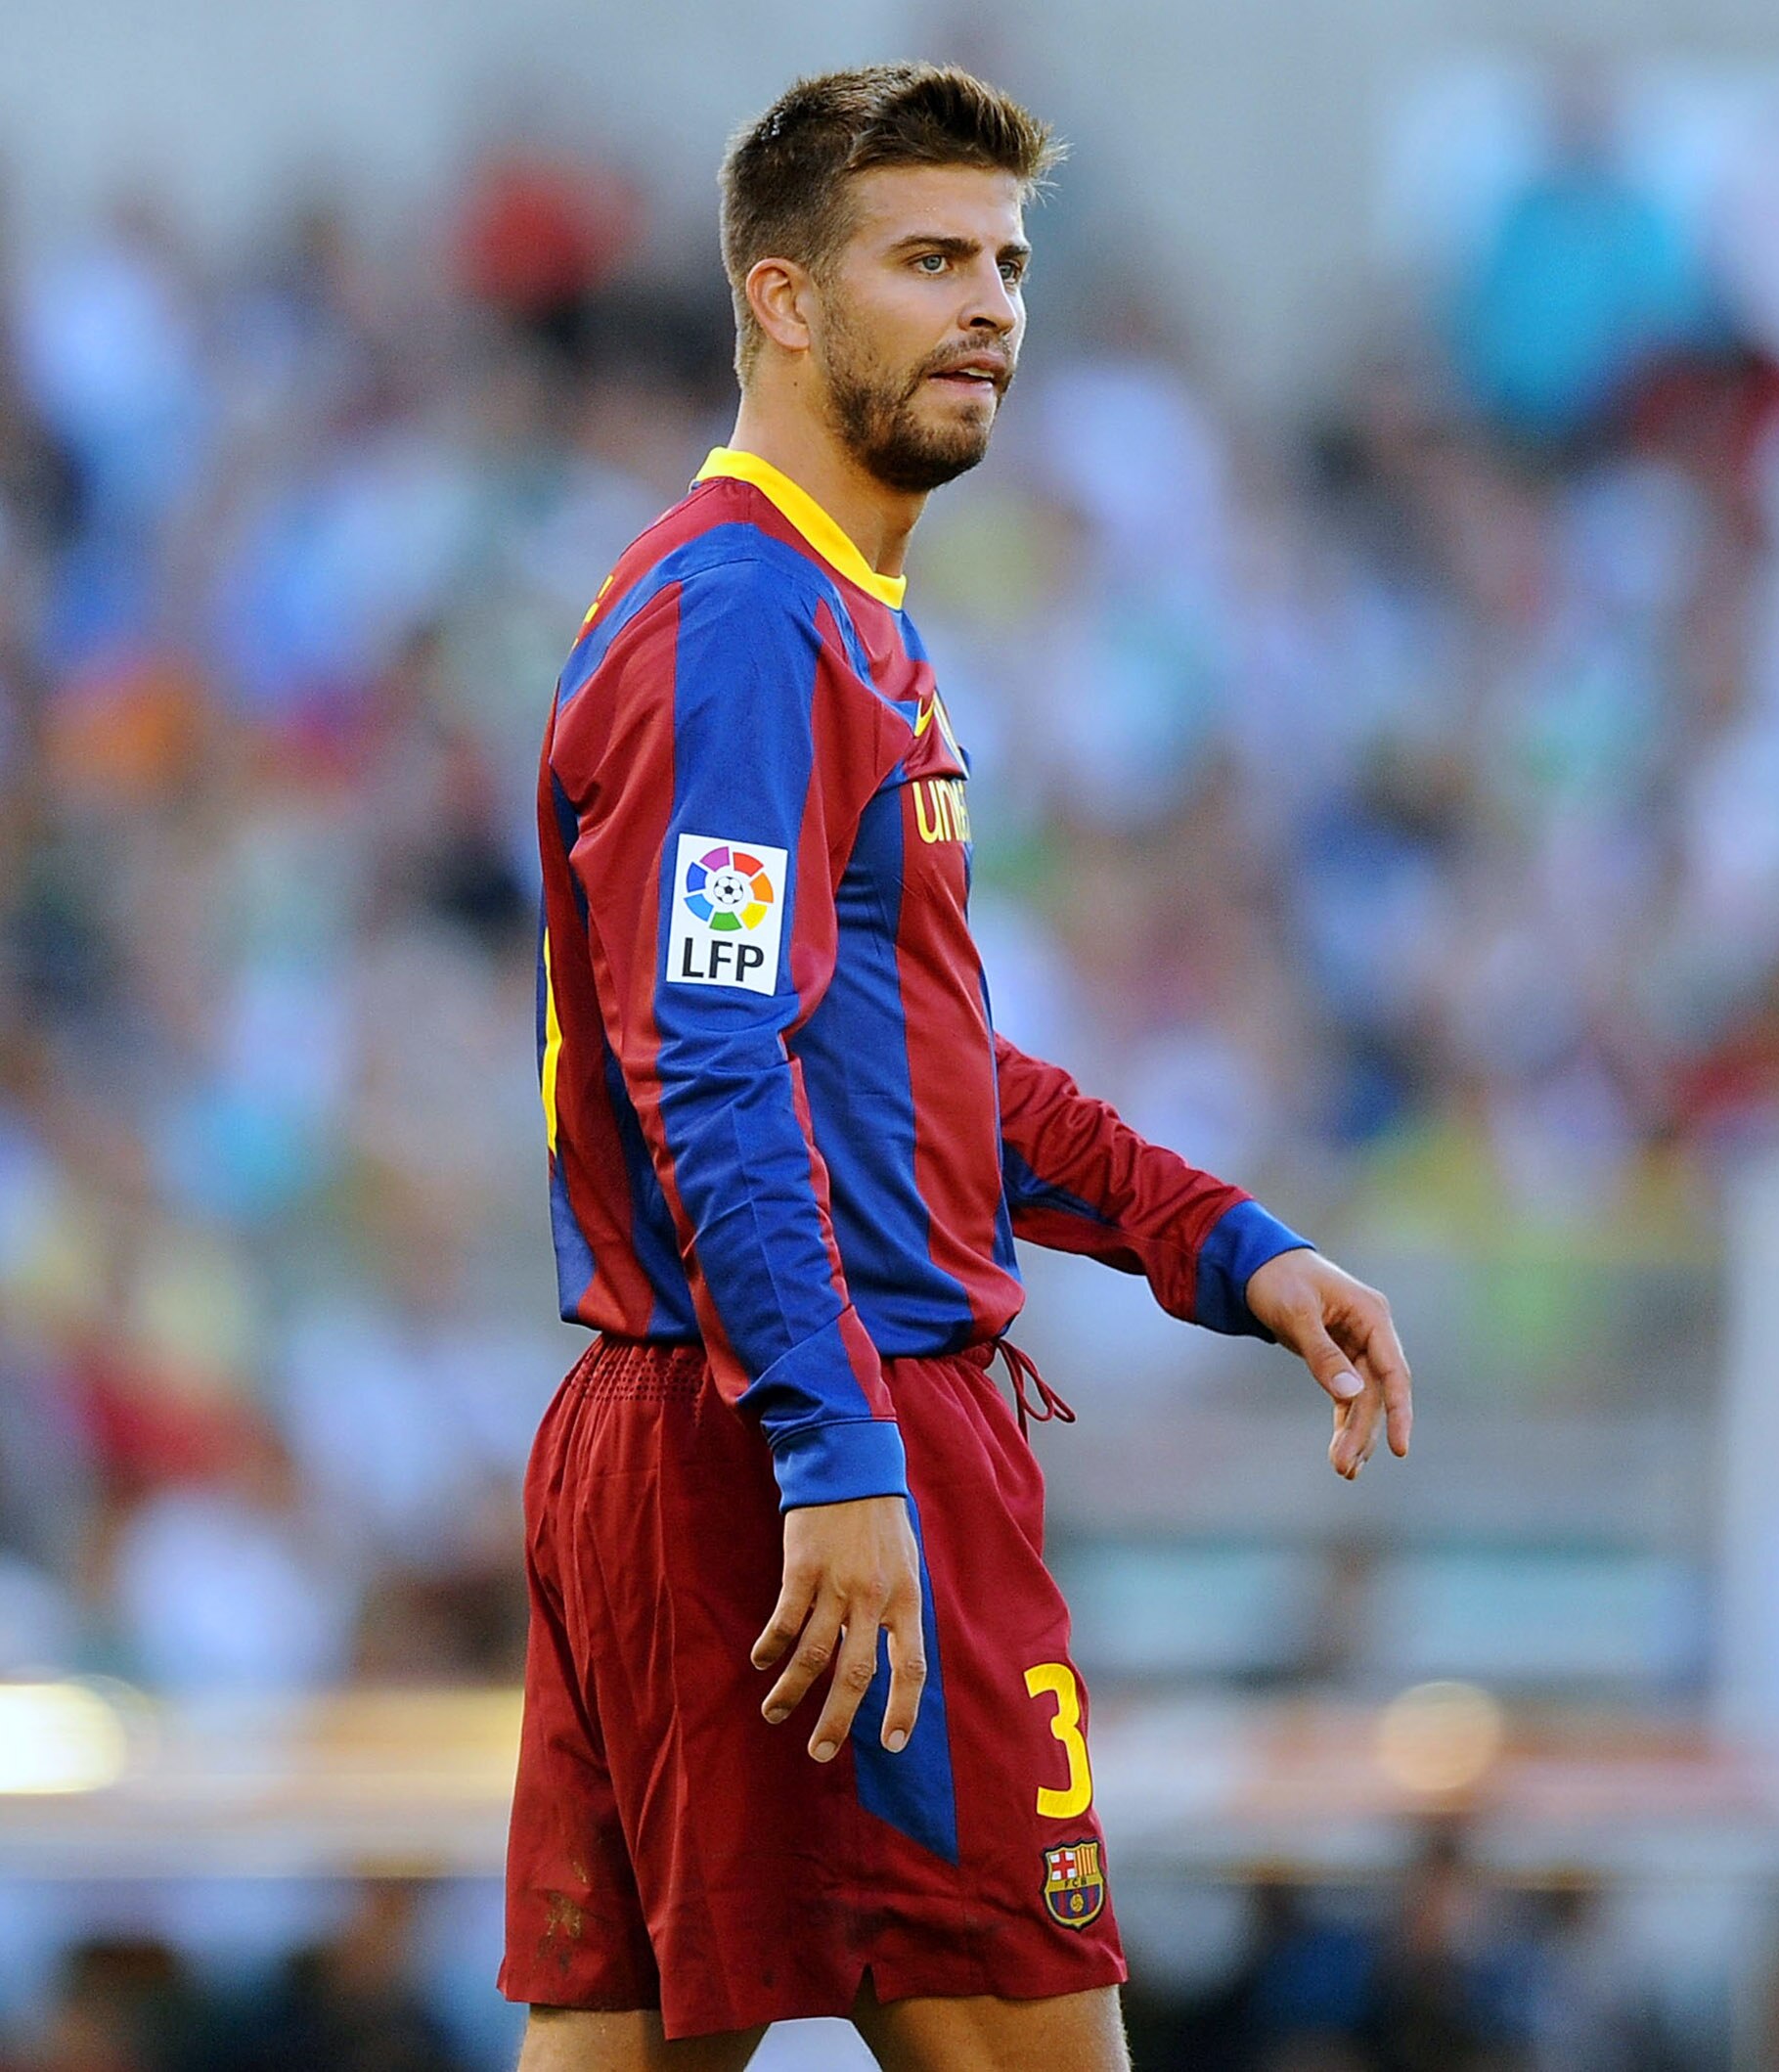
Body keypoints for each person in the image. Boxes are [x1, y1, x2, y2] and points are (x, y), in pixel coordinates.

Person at [499, 66, 1415, 2072]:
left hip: (705, 1430)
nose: (992, 304)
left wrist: (1220, 1242)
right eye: (928, 260)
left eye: (1006, 261)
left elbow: (901, 1071)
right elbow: (710, 1060)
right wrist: (834, 1453)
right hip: (797, 1435)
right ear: (786, 302)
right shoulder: (744, 622)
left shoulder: (833, 618)